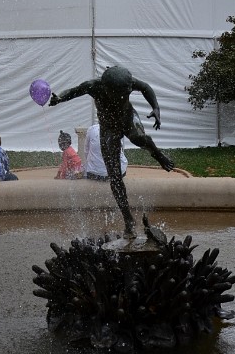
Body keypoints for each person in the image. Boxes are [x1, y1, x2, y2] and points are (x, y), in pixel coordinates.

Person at [49, 65, 173, 236]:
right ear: (106, 88)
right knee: (114, 177)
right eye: (119, 94)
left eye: (126, 93)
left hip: (128, 118)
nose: (124, 95)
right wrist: (60, 98)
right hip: (108, 129)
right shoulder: (94, 86)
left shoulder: (127, 82)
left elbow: (145, 87)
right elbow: (75, 91)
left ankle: (157, 154)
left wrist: (156, 107)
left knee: (139, 138)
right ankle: (128, 219)